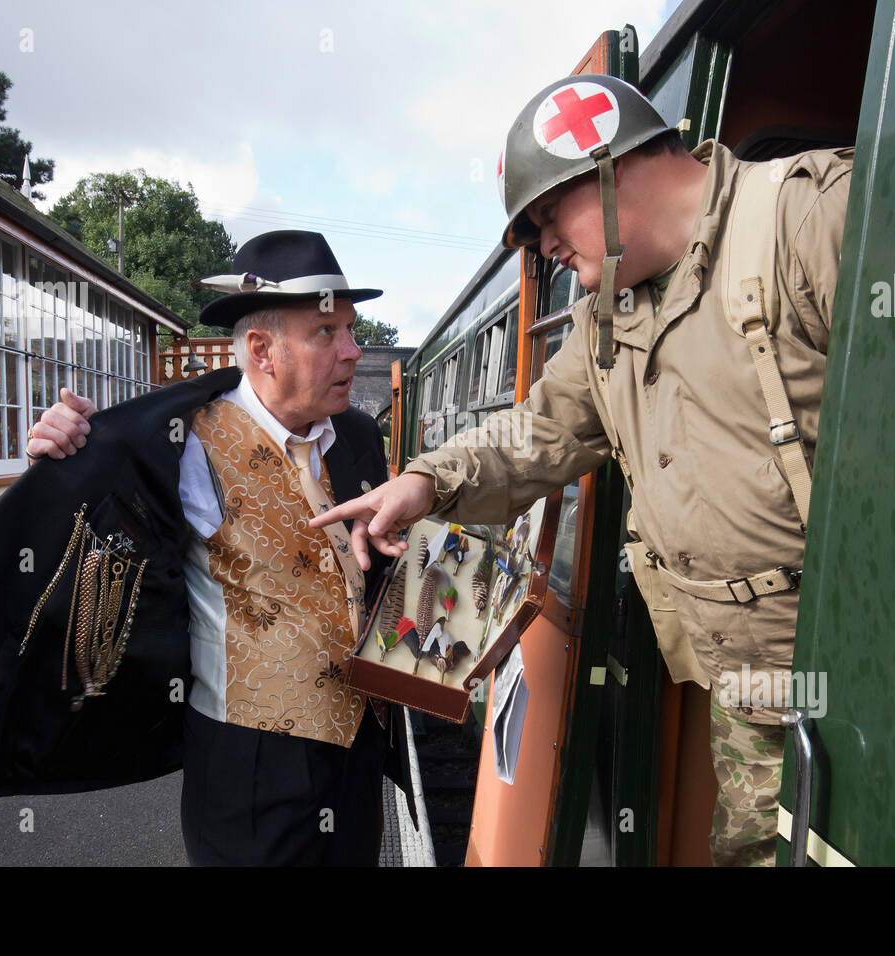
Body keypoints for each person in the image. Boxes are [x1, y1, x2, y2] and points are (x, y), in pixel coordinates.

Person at [313, 75, 852, 866]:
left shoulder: (808, 218)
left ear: (610, 167)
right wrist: (425, 481)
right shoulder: (607, 319)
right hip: (744, 679)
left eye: (546, 218)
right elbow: (539, 431)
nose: (545, 249)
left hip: (860, 662)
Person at [0, 230, 416, 866]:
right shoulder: (183, 440)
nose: (352, 351)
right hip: (252, 766)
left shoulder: (358, 435)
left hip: (359, 750)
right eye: (327, 333)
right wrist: (63, 458)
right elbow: (69, 529)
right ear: (262, 349)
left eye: (351, 328)